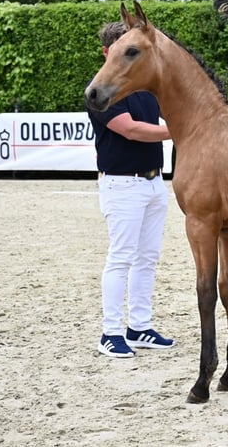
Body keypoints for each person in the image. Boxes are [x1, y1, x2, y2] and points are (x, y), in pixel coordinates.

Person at [86, 21, 174, 358]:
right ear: (109, 53)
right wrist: (177, 131)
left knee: (147, 259)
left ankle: (139, 326)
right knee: (121, 258)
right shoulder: (103, 90)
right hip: (123, 183)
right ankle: (110, 332)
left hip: (153, 182)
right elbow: (132, 130)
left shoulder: (140, 87)